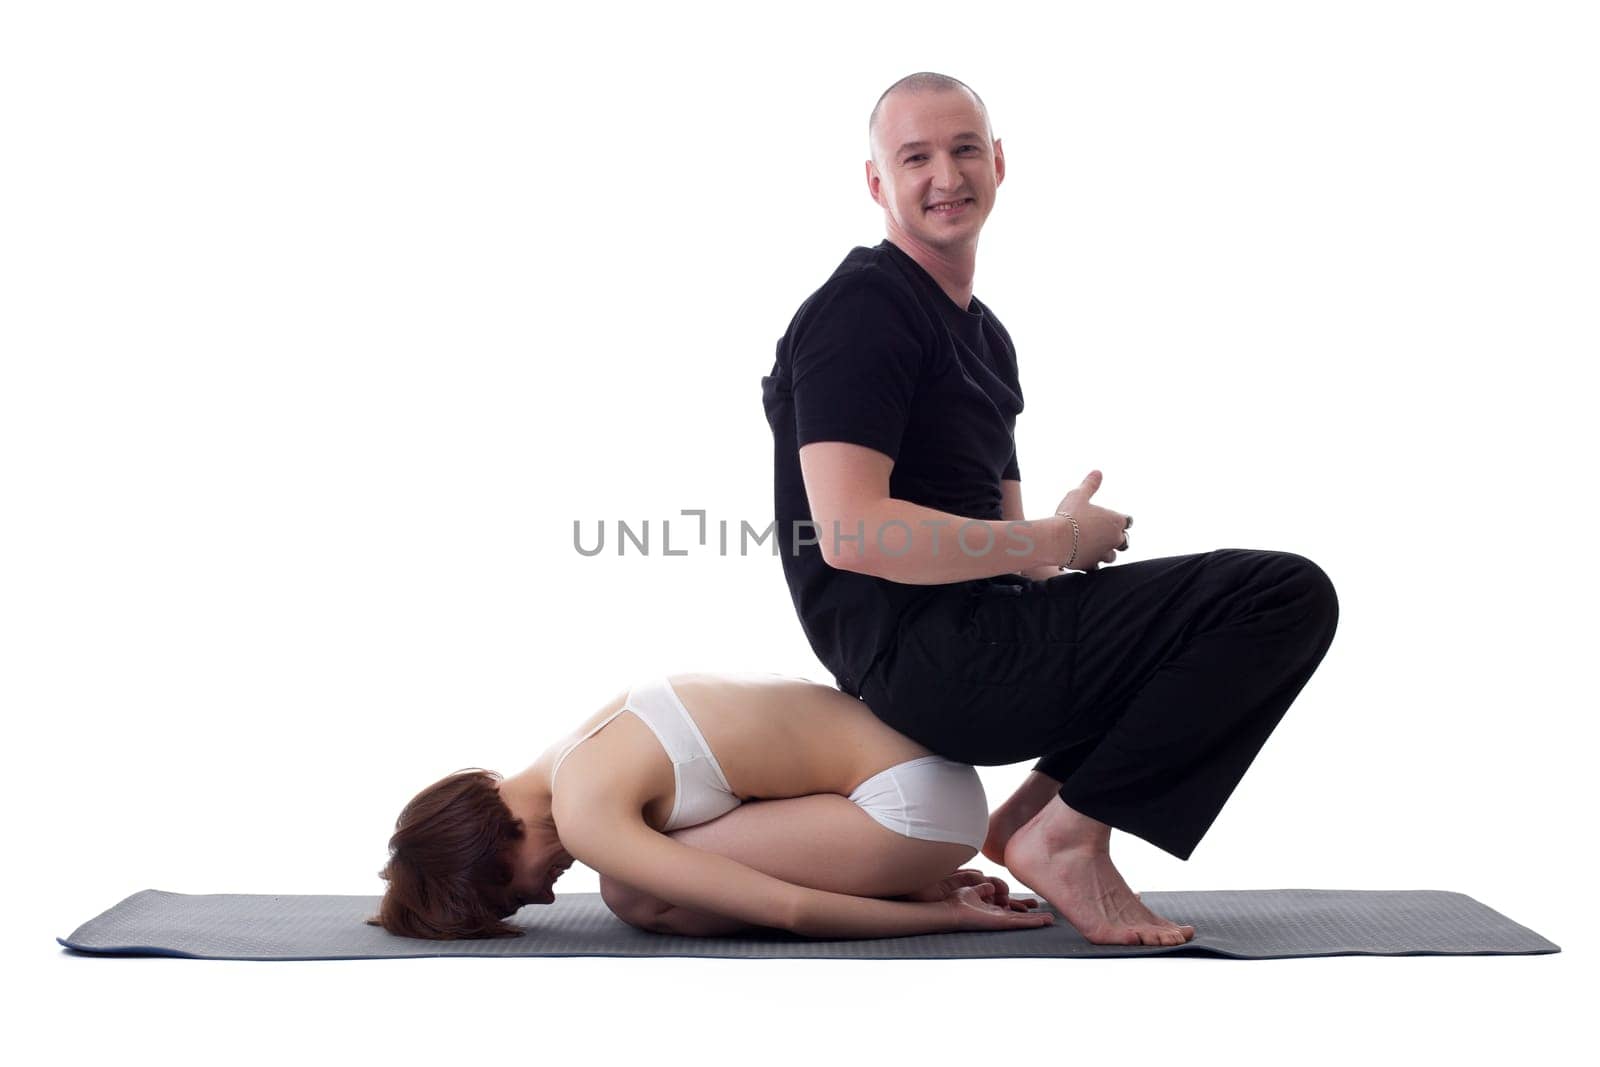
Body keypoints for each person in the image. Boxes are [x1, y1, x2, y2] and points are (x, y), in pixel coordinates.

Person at [760, 72, 1339, 947]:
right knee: (1280, 594)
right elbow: (852, 533)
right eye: (915, 157)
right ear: (878, 183)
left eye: (964, 150)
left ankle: (1031, 819)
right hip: (924, 662)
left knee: (1203, 620)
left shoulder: (985, 335)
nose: (945, 176)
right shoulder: (862, 310)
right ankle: (1068, 834)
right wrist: (1062, 540)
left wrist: (1056, 540)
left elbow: (1014, 555)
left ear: (998, 163)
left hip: (988, 632)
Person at [369, 672, 1054, 940]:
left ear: (492, 852)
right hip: (923, 781)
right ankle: (911, 876)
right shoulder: (577, 748)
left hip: (913, 808)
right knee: (645, 876)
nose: (545, 902)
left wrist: (943, 918)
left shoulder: (585, 806)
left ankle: (920, 883)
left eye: (511, 897)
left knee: (633, 894)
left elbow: (788, 908)